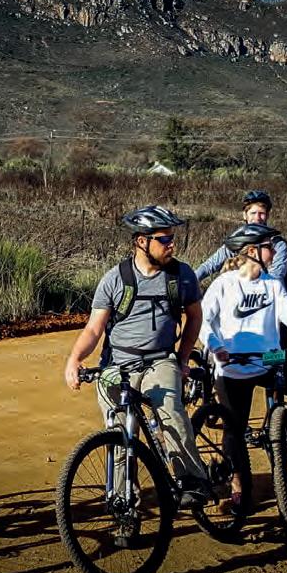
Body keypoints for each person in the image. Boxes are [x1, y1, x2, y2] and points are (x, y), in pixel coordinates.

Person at [64, 205, 209, 508]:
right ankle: (123, 500)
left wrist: (182, 358)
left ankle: (193, 481)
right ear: (142, 241)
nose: (172, 245)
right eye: (164, 239)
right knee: (120, 434)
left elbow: (195, 317)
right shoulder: (115, 279)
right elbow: (94, 328)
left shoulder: (181, 275)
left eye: (172, 238)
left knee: (171, 413)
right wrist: (74, 359)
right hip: (118, 364)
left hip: (161, 360)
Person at [199, 224, 287, 486]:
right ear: (251, 251)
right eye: (268, 246)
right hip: (232, 365)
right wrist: (216, 347)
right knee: (234, 429)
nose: (274, 251)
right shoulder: (224, 284)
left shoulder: (272, 284)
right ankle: (237, 483)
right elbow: (203, 321)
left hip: (269, 360)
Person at [196, 190, 287, 348]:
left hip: (274, 301)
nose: (257, 218)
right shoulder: (239, 240)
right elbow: (210, 265)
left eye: (262, 213)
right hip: (245, 299)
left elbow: (276, 276)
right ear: (245, 215)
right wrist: (190, 280)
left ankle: (278, 362)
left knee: (277, 349)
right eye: (253, 213)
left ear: (267, 215)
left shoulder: (277, 243)